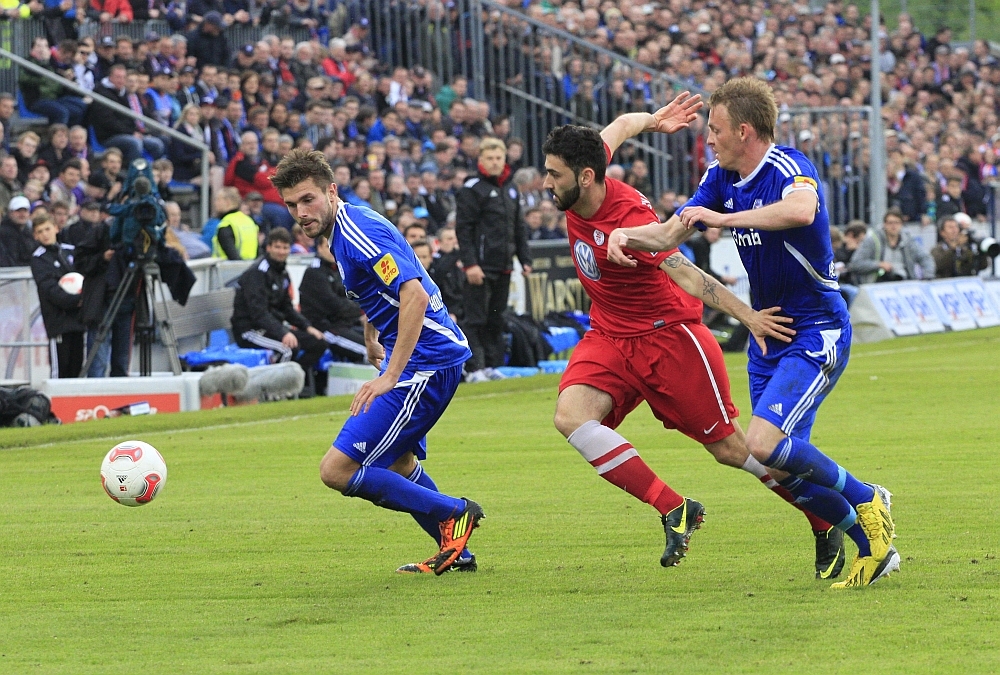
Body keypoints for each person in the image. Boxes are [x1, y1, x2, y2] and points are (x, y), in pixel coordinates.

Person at [606, 77, 897, 588]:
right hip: (768, 334)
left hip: (815, 328)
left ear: (744, 131)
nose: (708, 139)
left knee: (762, 444)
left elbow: (801, 210)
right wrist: (623, 235)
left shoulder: (788, 166)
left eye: (715, 129)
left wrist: (724, 218)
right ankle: (874, 549)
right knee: (781, 468)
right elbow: (671, 232)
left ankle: (867, 495)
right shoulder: (719, 176)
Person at [542, 99, 843, 576]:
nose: (546, 183)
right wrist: (653, 122)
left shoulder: (628, 218)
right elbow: (620, 125)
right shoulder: (586, 165)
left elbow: (686, 273)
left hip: (668, 338)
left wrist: (749, 317)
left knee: (735, 450)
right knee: (571, 417)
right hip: (610, 334)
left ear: (585, 177)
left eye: (553, 175)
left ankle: (825, 518)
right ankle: (674, 508)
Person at [271, 148, 483, 575]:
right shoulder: (344, 230)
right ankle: (456, 551)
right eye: (292, 205)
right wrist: (372, 335)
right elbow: (380, 288)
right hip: (423, 358)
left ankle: (454, 511)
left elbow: (414, 295)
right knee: (399, 464)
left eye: (308, 199)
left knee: (336, 470)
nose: (301, 212)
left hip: (425, 363)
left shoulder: (356, 233)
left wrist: (391, 375)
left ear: (331, 191)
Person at [455, 137, 531, 381]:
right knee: (475, 318)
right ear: (481, 160)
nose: (495, 162)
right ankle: (474, 368)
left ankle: (492, 365)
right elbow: (463, 229)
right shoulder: (472, 189)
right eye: (490, 158)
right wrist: (470, 264)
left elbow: (518, 227)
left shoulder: (510, 188)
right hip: (480, 265)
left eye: (499, 158)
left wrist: (524, 258)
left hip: (504, 265)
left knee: (496, 318)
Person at [231, 228, 327, 378]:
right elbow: (259, 313)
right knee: (288, 349)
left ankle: (296, 382)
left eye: (285, 247)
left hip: (270, 327)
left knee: (318, 343)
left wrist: (307, 327)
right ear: (268, 247)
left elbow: (287, 307)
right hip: (250, 330)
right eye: (277, 247)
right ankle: (276, 388)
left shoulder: (282, 271)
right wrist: (283, 333)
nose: (281, 252)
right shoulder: (257, 273)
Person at [29, 217, 85, 378]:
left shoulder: (70, 251)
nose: (45, 234)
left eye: (47, 229)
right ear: (35, 236)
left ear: (56, 228)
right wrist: (77, 300)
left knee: (78, 368)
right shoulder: (38, 259)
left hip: (78, 320)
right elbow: (50, 289)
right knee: (60, 370)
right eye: (40, 232)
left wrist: (85, 298)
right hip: (58, 322)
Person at [298, 241, 367, 363]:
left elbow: (352, 297)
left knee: (380, 343)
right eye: (327, 246)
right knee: (369, 352)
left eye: (334, 246)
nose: (332, 250)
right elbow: (334, 305)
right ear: (319, 248)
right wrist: (360, 312)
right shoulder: (314, 272)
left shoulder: (337, 269)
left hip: (343, 324)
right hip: (323, 329)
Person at [848, 208, 935, 283]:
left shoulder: (908, 240)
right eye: (890, 223)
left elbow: (925, 257)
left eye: (897, 223)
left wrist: (927, 276)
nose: (893, 226)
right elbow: (855, 264)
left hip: (905, 282)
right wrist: (879, 265)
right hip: (878, 283)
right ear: (884, 224)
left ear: (901, 224)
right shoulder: (873, 240)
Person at [211, 187, 259, 260]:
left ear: (227, 202)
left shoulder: (226, 224)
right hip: (251, 264)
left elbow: (232, 256)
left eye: (218, 200)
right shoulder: (249, 221)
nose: (215, 203)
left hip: (228, 266)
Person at [0, 196, 35, 267]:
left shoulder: (29, 232)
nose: (22, 214)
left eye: (25, 211)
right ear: (10, 213)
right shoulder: (4, 233)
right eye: (18, 211)